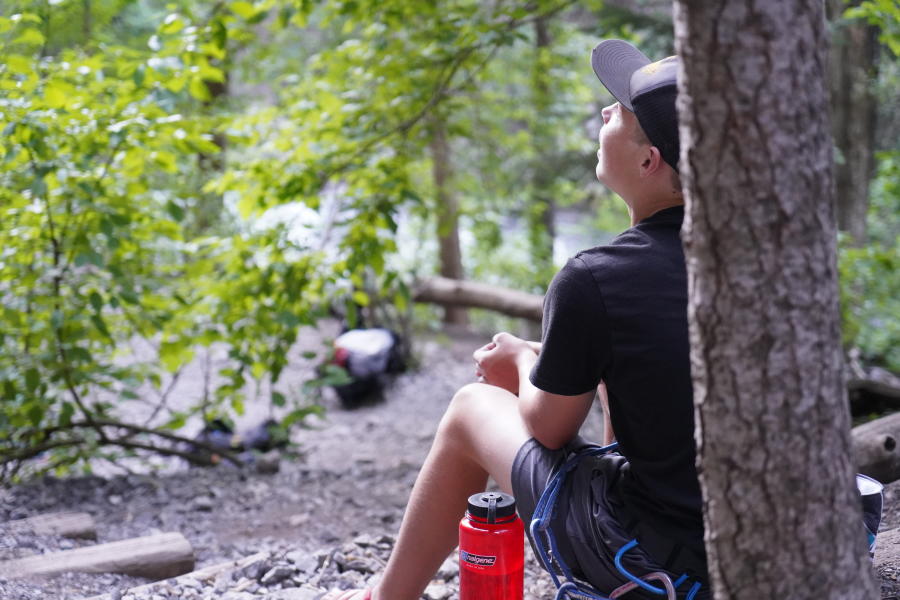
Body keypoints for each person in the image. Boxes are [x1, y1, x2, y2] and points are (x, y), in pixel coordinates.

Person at [324, 39, 708, 600]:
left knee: (470, 408)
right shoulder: (745, 271)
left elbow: (549, 428)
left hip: (656, 570)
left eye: (620, 112)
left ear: (650, 161)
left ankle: (386, 597)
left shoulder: (595, 279)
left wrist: (524, 359)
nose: (604, 112)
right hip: (737, 553)